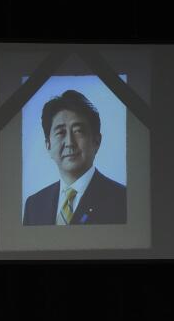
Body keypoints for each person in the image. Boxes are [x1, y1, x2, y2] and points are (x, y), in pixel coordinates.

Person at [23, 89, 126, 226]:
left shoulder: (123, 200)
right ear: (48, 145)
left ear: (96, 141)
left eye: (78, 131)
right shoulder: (34, 205)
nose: (70, 143)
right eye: (60, 132)